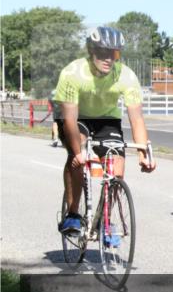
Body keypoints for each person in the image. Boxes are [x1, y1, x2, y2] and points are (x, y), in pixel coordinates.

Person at [54, 26, 156, 235]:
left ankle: (104, 220)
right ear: (91, 51)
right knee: (77, 156)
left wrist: (143, 155)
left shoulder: (126, 76)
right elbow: (70, 120)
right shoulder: (72, 73)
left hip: (106, 119)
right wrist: (78, 152)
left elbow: (136, 118)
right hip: (78, 116)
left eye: (114, 54)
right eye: (103, 53)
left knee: (116, 171)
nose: (109, 59)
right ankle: (73, 215)